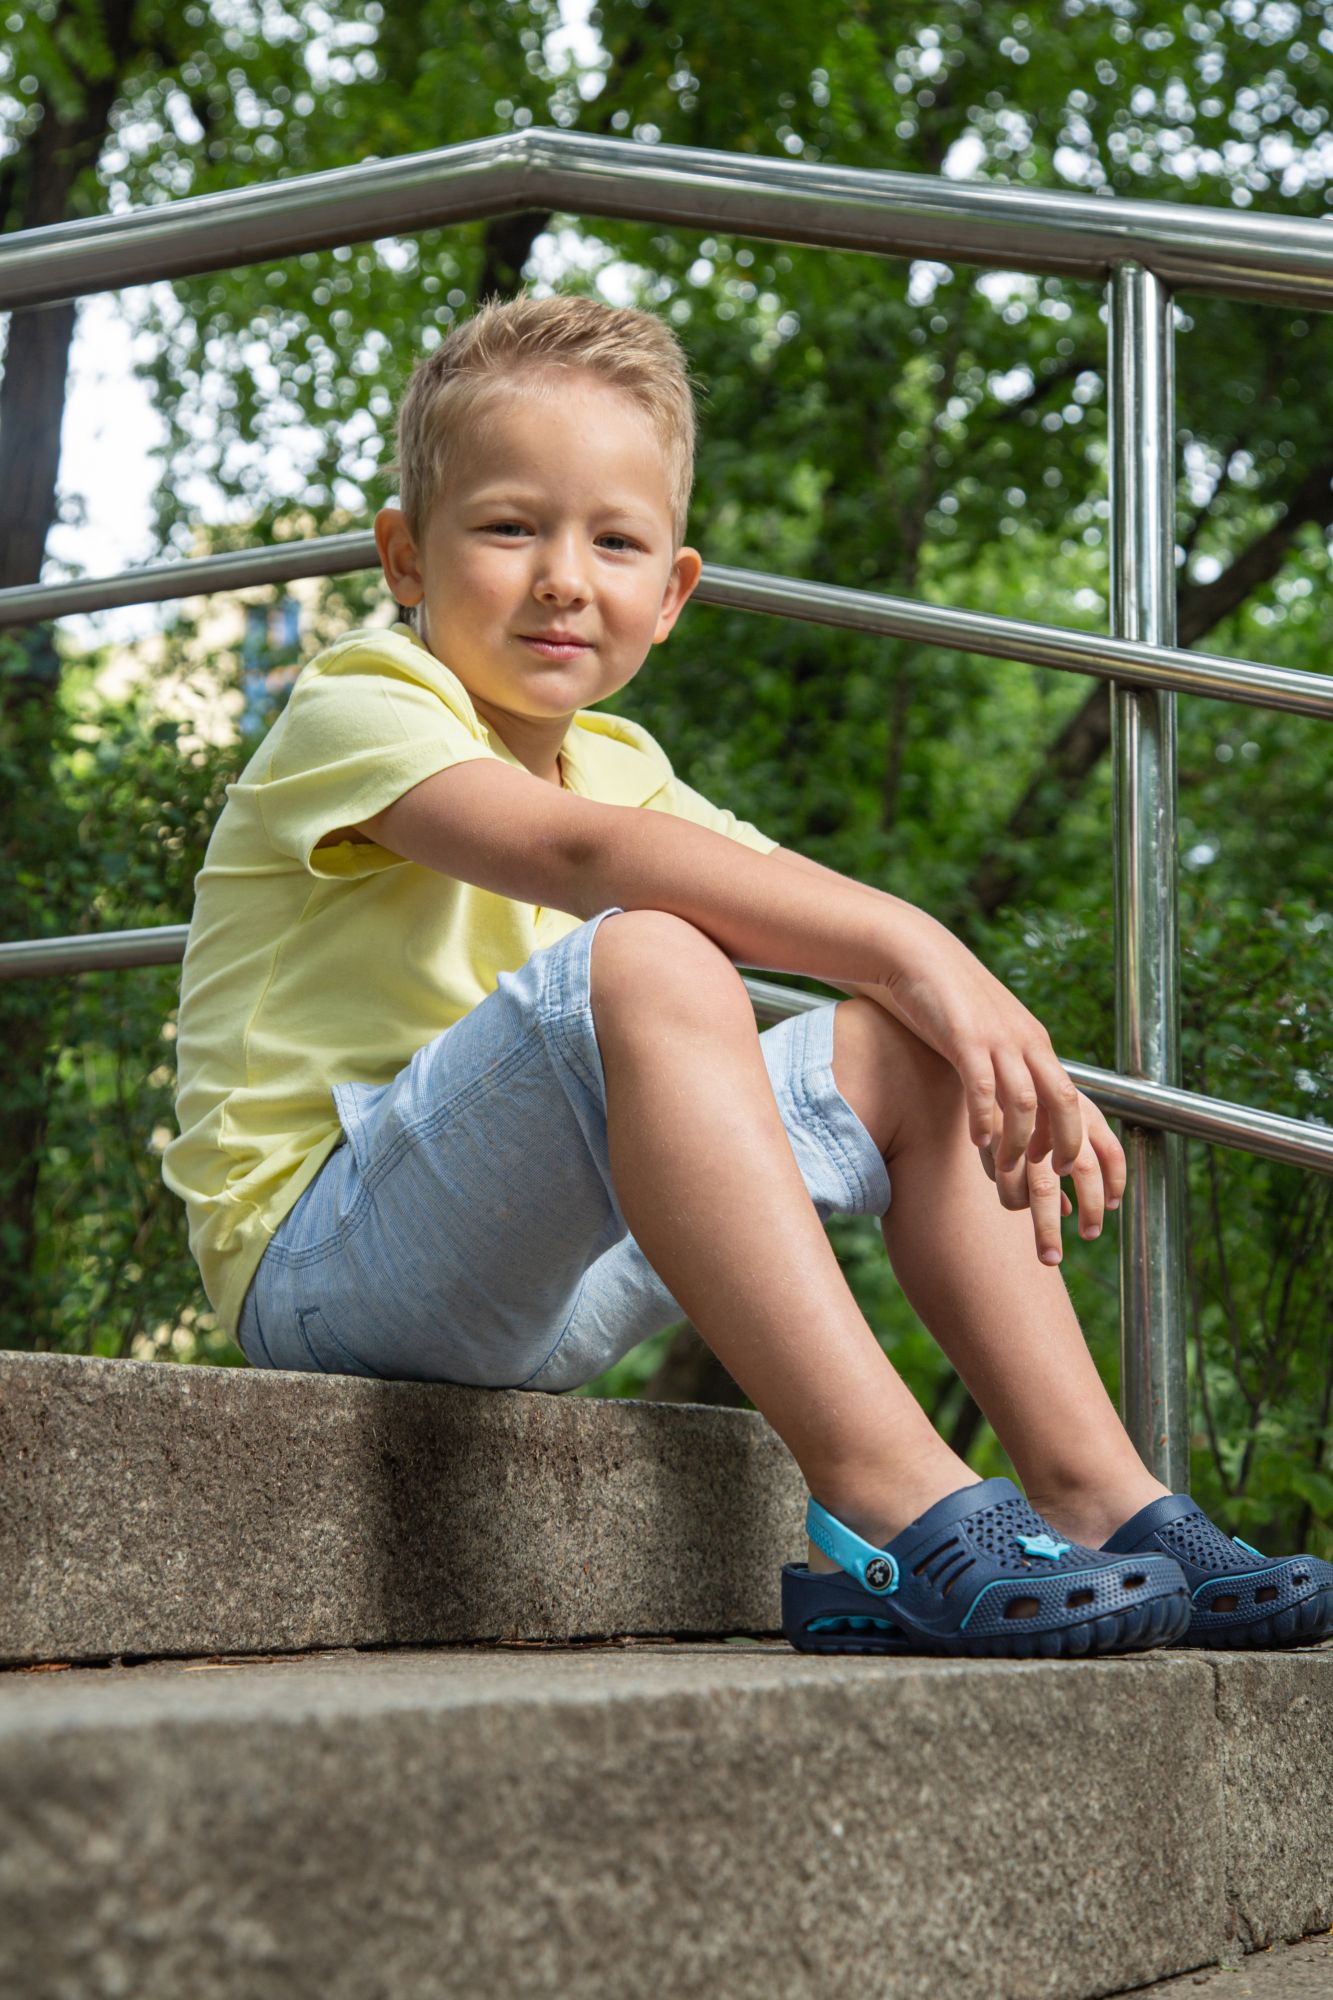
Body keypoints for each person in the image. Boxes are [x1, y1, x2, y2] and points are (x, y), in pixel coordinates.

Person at [163, 290, 1332, 1659]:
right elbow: (582, 855)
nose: (563, 577)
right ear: (404, 557)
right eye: (508, 528)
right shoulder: (359, 700)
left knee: (901, 1041)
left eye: (613, 541)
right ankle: (888, 1499)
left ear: (671, 593)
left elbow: (783, 895)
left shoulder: (621, 762)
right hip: (328, 1267)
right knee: (657, 946)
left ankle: (1097, 1492)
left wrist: (939, 988)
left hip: (541, 1274)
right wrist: (921, 942)